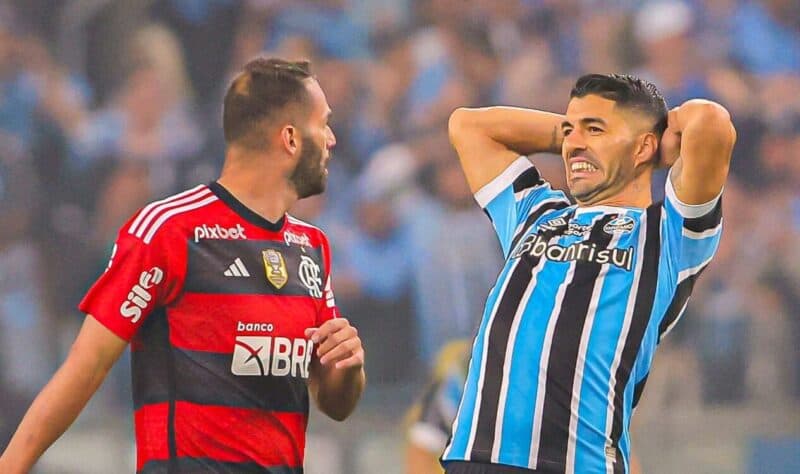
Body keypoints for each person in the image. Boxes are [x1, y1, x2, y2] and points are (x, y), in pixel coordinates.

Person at [0, 57, 366, 473]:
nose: (332, 139)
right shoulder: (170, 231)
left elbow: (335, 403)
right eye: (323, 124)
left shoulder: (310, 246)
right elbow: (86, 368)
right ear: (290, 138)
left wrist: (348, 368)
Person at [442, 74, 736, 473]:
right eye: (570, 130)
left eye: (594, 129)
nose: (573, 143)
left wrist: (659, 136)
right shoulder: (535, 212)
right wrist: (571, 134)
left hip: (576, 464)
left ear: (645, 146)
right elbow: (467, 125)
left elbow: (711, 122)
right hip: (473, 458)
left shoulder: (668, 235)